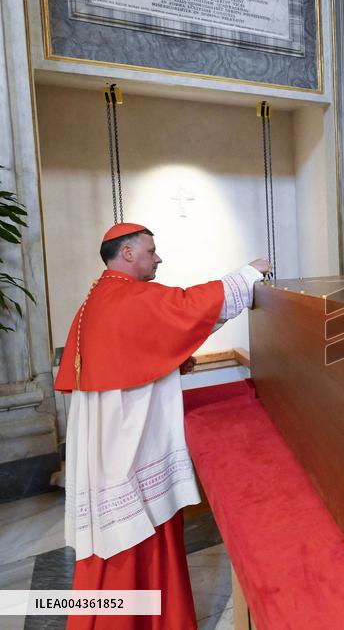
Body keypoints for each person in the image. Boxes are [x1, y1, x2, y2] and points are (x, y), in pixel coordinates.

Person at [53, 223, 270, 628]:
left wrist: (173, 359)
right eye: (151, 251)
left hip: (113, 441)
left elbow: (149, 341)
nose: (158, 258)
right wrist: (247, 274)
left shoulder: (102, 298)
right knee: (134, 533)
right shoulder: (127, 297)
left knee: (131, 533)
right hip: (126, 447)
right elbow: (188, 307)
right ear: (127, 253)